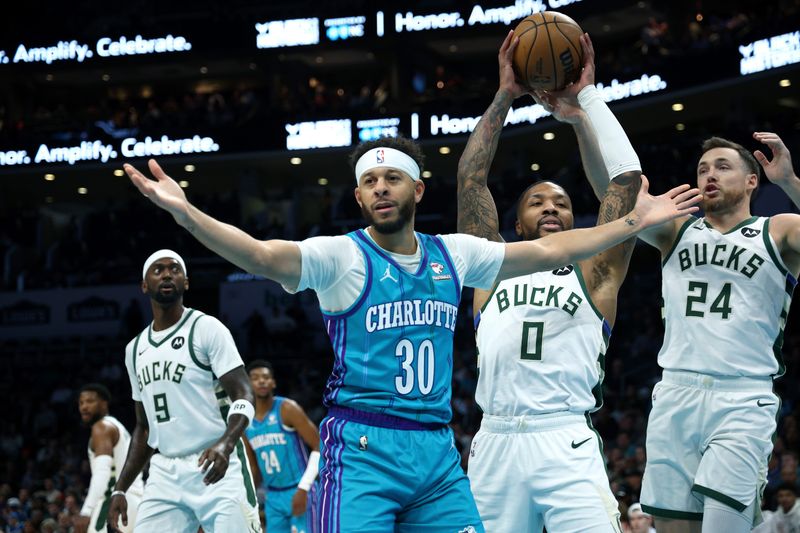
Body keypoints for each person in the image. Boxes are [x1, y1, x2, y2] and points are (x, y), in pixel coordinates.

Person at [123, 126, 699, 530]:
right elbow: (260, 256)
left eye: (392, 179)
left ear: (416, 190)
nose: (380, 188)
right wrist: (186, 213)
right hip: (363, 448)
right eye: (369, 182)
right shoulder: (340, 257)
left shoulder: (456, 254)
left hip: (436, 452)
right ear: (357, 195)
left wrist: (628, 224)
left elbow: (554, 246)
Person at [459, 31, 642, 533]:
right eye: (537, 201)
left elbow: (625, 182)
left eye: (561, 202)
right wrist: (503, 96)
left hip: (565, 440)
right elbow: (471, 181)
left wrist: (587, 101)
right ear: (517, 225)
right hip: (494, 443)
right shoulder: (489, 267)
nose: (551, 207)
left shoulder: (595, 272)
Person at [637, 130, 800, 533]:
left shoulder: (778, 230)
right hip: (675, 395)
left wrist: (790, 182)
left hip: (742, 398)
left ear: (751, 180)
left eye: (723, 167)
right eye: (703, 169)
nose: (709, 174)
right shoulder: (674, 231)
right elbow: (615, 199)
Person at [106, 249, 261, 533]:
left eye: (175, 269)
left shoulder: (206, 328)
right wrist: (120, 489)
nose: (167, 274)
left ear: (186, 282)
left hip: (215, 462)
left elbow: (244, 393)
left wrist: (226, 444)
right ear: (144, 285)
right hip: (165, 471)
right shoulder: (134, 350)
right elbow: (143, 427)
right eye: (158, 270)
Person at [245, 360, 320, 533]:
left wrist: (304, 488)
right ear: (248, 384)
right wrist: (249, 499)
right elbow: (254, 468)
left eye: (266, 377)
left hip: (300, 489)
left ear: (273, 382)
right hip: (272, 497)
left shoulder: (287, 408)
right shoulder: (246, 421)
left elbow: (319, 445)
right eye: (255, 378)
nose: (261, 381)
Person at [73, 383, 144, 533]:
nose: (84, 407)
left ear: (104, 403)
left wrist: (86, 511)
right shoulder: (118, 427)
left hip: (113, 502)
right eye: (81, 403)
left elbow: (102, 474)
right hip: (135, 502)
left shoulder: (101, 428)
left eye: (90, 401)